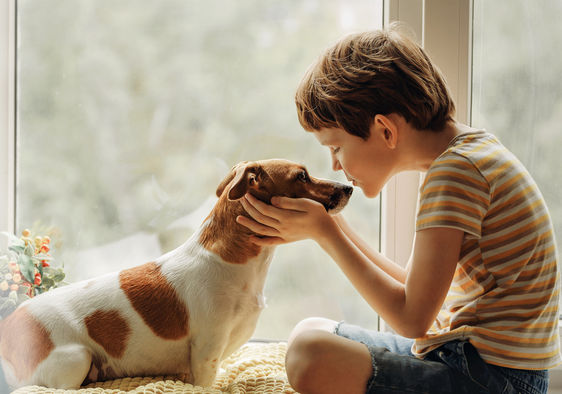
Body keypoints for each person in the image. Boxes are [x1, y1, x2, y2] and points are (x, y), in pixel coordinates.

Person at [235, 23, 560, 394]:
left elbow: (412, 319)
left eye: (336, 147)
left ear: (385, 131)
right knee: (310, 332)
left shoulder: (455, 174)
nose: (336, 166)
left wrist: (326, 235)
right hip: (475, 361)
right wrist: (329, 227)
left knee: (309, 355)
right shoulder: (466, 156)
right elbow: (413, 287)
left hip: (494, 378)